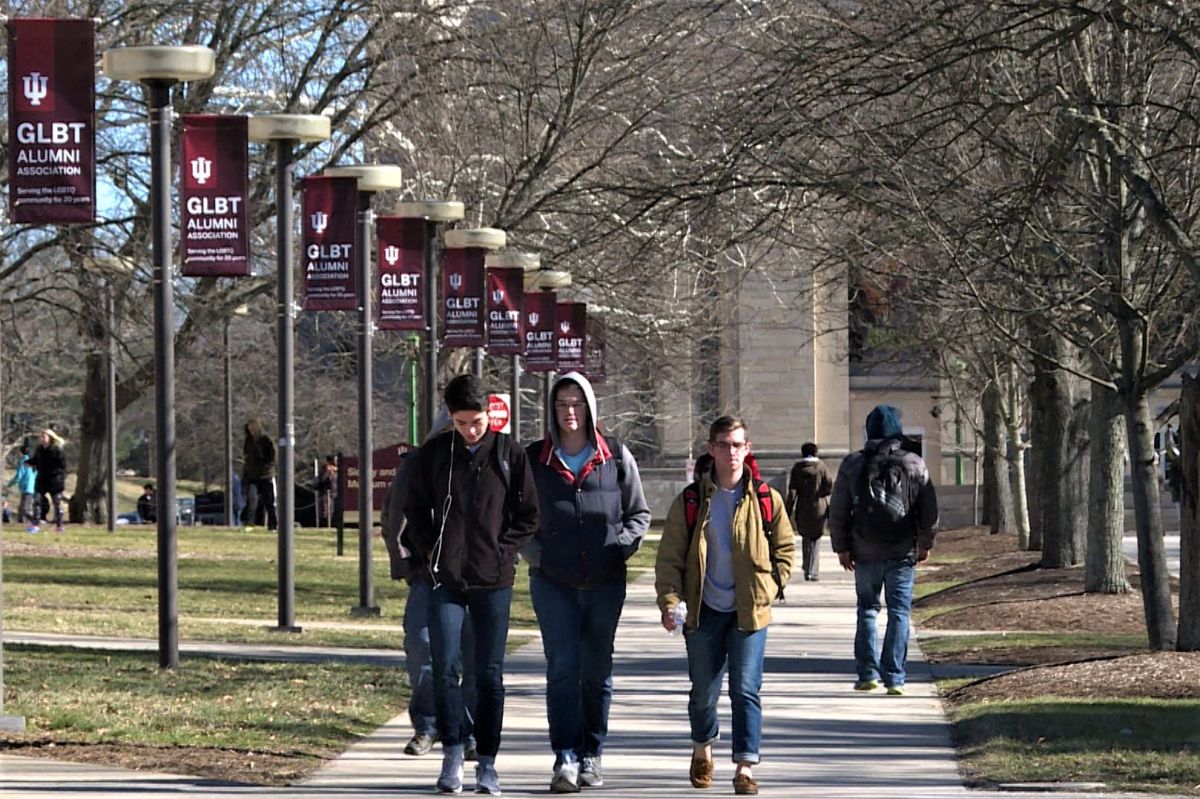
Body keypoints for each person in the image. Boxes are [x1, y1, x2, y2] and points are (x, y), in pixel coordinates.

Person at [403, 373, 540, 796]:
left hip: (492, 579)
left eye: (477, 421)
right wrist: (430, 552)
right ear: (450, 419)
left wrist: (504, 551)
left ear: (490, 414)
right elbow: (415, 510)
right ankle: (452, 750)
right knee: (445, 665)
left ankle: (488, 761)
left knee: (489, 673)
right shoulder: (436, 455)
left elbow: (529, 515)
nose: (470, 430)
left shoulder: (509, 454)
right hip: (446, 578)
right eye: (461, 423)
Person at [523, 371, 651, 792]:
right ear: (551, 409)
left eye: (577, 403)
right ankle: (565, 756)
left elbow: (639, 513)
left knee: (596, 673)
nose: (570, 411)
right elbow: (518, 520)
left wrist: (619, 545)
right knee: (562, 670)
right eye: (562, 404)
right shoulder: (535, 458)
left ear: (591, 407)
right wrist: (539, 558)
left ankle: (592, 753)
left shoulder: (614, 454)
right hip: (553, 582)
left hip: (604, 582)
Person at [655, 415, 795, 797]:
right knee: (703, 691)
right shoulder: (691, 500)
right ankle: (703, 747)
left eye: (737, 445)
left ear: (747, 449)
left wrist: (770, 586)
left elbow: (785, 549)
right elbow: (669, 559)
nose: (731, 452)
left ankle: (745, 767)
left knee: (746, 689)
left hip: (749, 612)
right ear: (711, 449)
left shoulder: (766, 499)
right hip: (703, 611)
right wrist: (670, 601)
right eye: (723, 445)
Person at [382, 415, 477, 762]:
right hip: (428, 574)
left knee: (471, 655)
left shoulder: (486, 463)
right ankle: (427, 724)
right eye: (451, 429)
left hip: (474, 577)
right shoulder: (417, 466)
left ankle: (468, 730)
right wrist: (406, 563)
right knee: (421, 645)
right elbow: (394, 518)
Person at [829, 404, 939, 696]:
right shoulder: (914, 463)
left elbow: (838, 510)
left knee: (867, 610)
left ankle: (867, 674)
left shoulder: (852, 464)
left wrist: (841, 547)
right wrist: (925, 543)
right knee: (899, 612)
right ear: (897, 431)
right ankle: (895, 678)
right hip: (902, 551)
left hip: (864, 551)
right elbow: (928, 509)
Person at [787, 442, 832, 582]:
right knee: (816, 539)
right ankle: (812, 571)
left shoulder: (797, 468)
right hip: (819, 507)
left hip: (802, 507)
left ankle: (807, 567)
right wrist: (822, 493)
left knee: (806, 538)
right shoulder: (821, 467)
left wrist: (788, 509)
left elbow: (792, 491)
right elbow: (829, 484)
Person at [241, 418, 277, 531]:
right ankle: (249, 523)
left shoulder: (266, 440)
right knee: (252, 501)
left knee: (269, 502)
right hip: (253, 476)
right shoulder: (248, 441)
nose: (251, 431)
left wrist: (266, 466)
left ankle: (273, 525)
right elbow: (247, 456)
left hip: (266, 476)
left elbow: (273, 456)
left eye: (252, 429)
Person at [30, 429, 67, 534]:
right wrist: (28, 462)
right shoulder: (39, 449)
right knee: (37, 501)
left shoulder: (57, 450)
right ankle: (35, 525)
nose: (41, 438)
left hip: (55, 481)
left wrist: (59, 477)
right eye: (41, 436)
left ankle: (59, 526)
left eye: (44, 436)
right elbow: (36, 461)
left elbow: (62, 466)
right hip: (41, 480)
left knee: (57, 504)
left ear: (50, 438)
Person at [8, 445, 38, 533]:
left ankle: (33, 522)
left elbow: (19, 476)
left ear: (21, 452)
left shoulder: (23, 461)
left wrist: (10, 483)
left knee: (25, 508)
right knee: (24, 507)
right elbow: (36, 473)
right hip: (32, 487)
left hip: (26, 488)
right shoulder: (32, 461)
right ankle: (22, 523)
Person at [315, 455, 337, 527]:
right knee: (325, 510)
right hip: (326, 493)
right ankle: (324, 525)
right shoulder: (325, 469)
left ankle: (330, 524)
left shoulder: (336, 470)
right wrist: (328, 471)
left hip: (333, 493)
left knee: (331, 510)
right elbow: (322, 479)